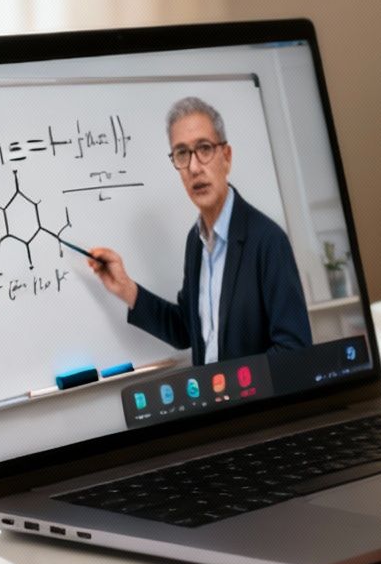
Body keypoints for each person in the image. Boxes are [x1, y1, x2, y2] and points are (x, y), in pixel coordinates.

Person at [87, 96, 311, 368]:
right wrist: (127, 289)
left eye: (204, 148)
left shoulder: (268, 240)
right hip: (213, 404)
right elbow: (186, 329)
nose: (194, 167)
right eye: (182, 153)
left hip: (253, 407)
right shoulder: (195, 242)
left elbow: (295, 352)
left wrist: (234, 389)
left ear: (226, 157)